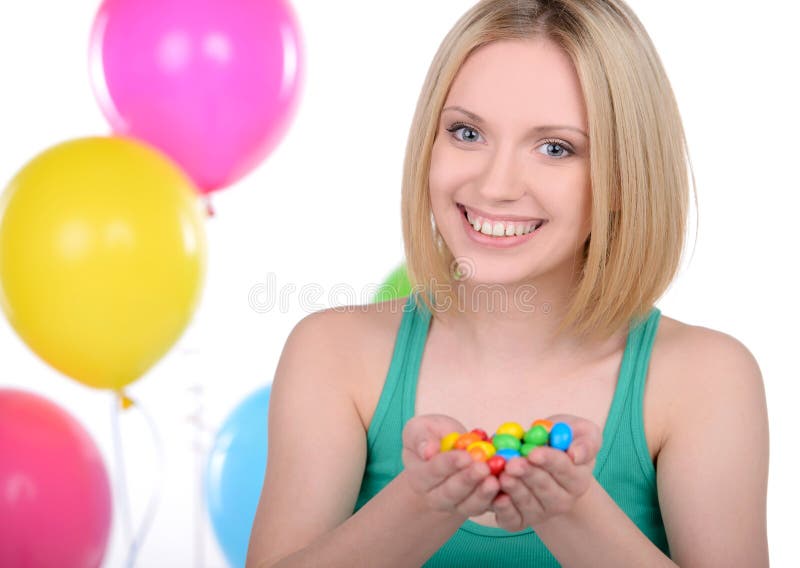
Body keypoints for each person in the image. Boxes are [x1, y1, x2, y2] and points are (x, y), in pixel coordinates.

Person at [246, 0, 769, 566]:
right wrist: (422, 505)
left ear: (624, 176)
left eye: (554, 148)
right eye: (467, 132)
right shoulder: (332, 353)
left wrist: (573, 512)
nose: (495, 185)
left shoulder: (706, 378)